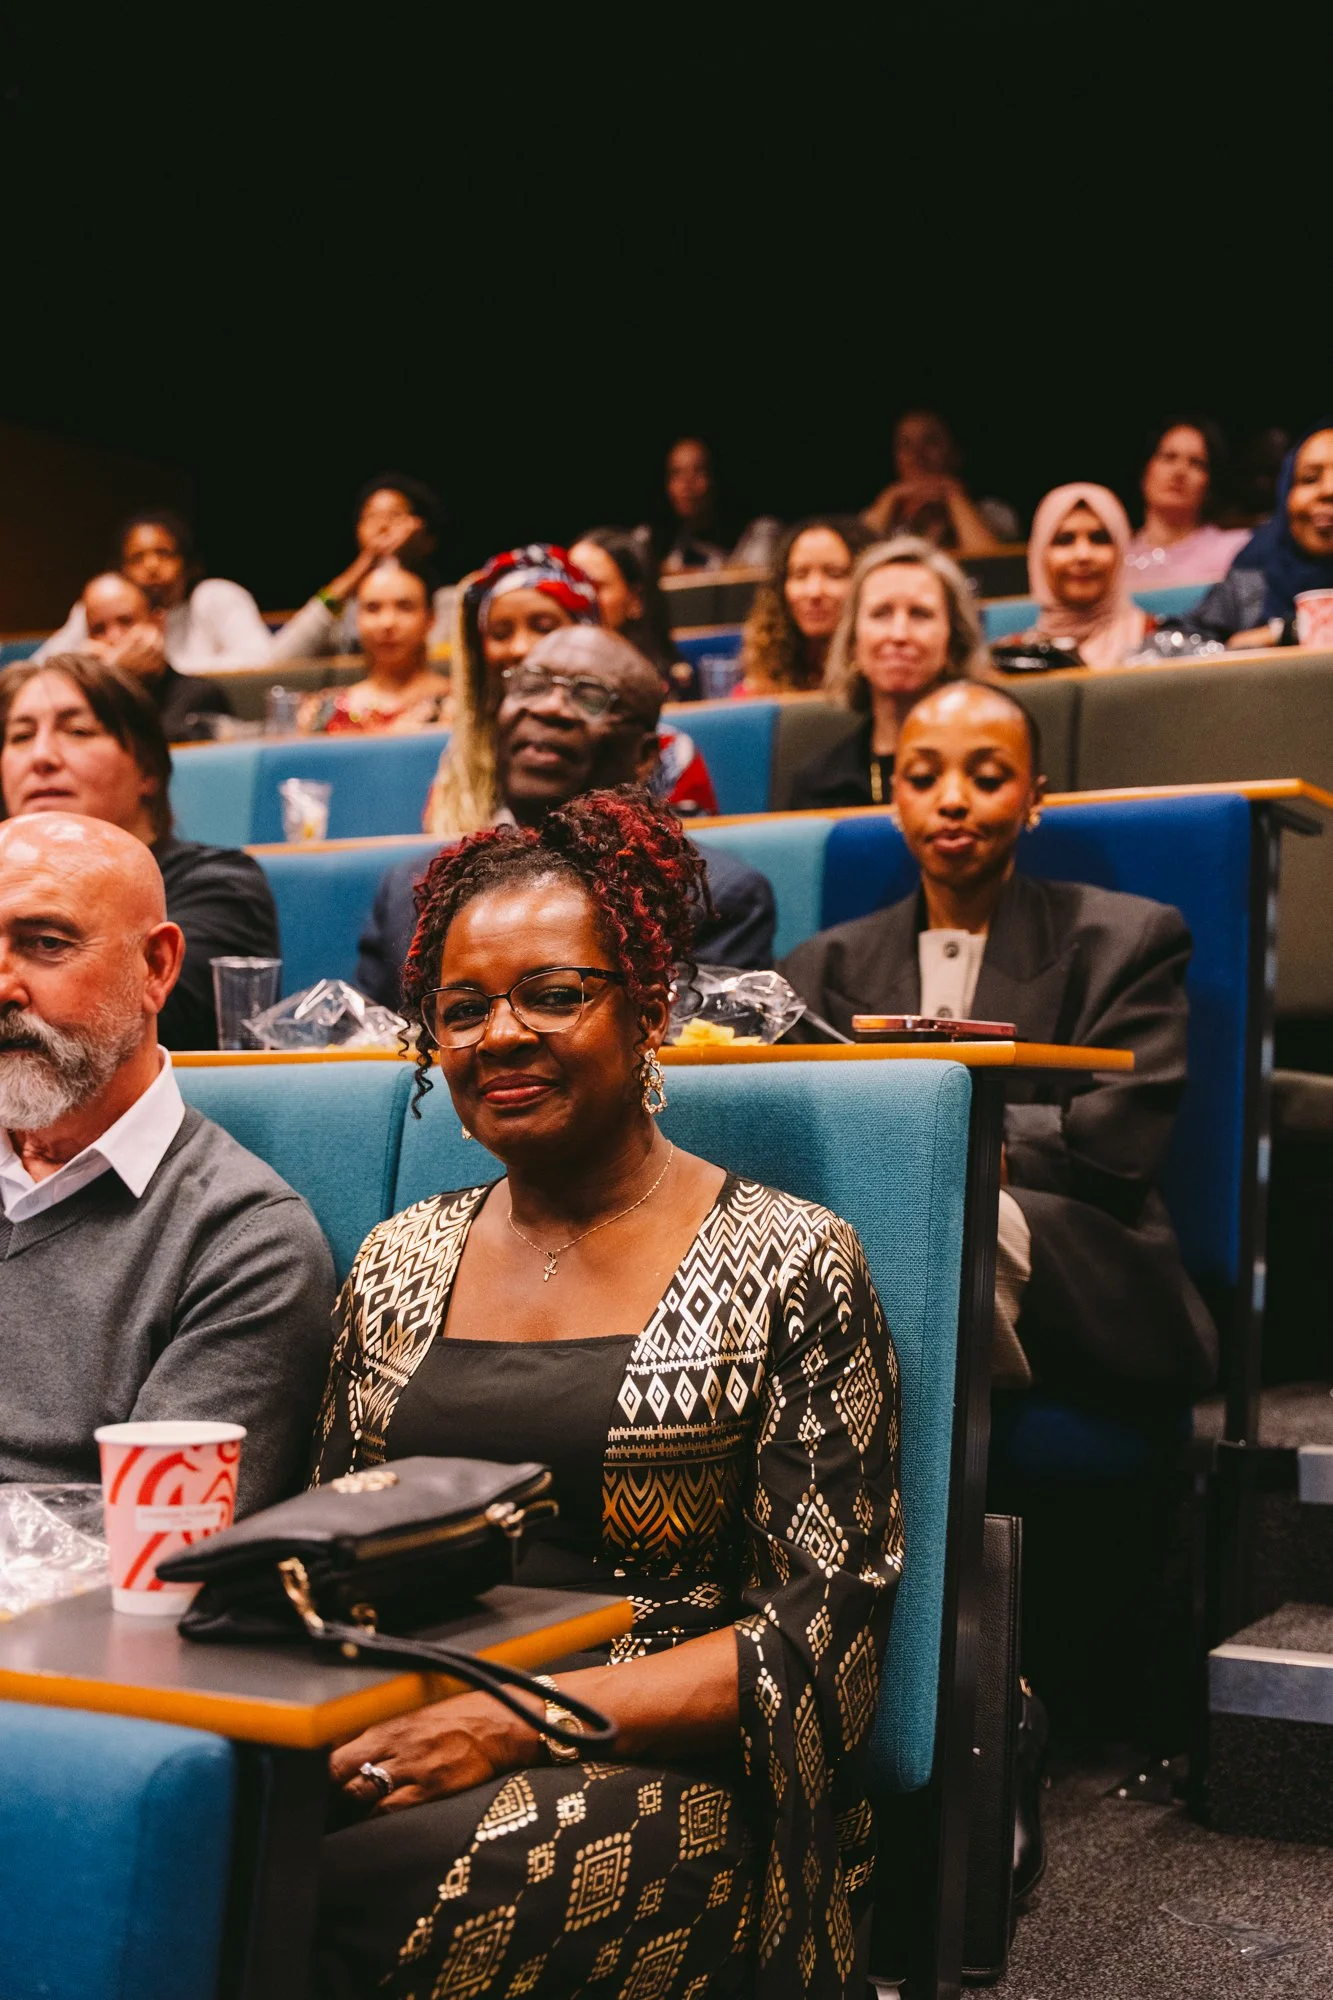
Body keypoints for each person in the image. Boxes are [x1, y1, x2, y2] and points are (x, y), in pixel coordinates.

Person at [312, 788, 902, 2000]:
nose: (499, 1034)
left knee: (329, 1892)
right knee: (169, 1825)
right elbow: (325, 1558)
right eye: (462, 1007)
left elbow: (821, 1641)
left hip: (678, 1777)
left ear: (648, 1006)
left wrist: (509, 1719)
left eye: (552, 992)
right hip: (406, 1723)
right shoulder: (395, 1260)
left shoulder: (789, 1260)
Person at [781, 679, 1217, 1411]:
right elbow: (798, 1144)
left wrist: (925, 1147)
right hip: (863, 1248)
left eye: (986, 778)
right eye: (923, 778)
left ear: (1033, 798)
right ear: (894, 798)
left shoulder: (1128, 939)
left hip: (1075, 1263)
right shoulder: (819, 966)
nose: (952, 800)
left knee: (937, 1230)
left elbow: (1114, 1148)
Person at [0, 813, 334, 1512]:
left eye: (46, 944)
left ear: (156, 967)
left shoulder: (244, 1241)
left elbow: (156, 1536)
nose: (4, 985)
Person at [357, 626, 776, 1007]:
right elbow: (366, 1048)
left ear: (644, 756)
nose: (550, 708)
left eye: (590, 696)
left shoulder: (712, 901)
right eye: (532, 685)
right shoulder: (411, 890)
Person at [0, 657, 279, 1049]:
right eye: (21, 736)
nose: (41, 756)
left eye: (78, 731)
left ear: (147, 769)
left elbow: (122, 1023)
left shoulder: (220, 886)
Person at [423, 545, 717, 835]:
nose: (520, 647)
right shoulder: (465, 754)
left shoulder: (668, 752)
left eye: (543, 627)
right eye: (500, 634)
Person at [787, 536, 986, 809]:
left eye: (920, 614)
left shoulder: (993, 774)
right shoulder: (818, 788)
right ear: (853, 642)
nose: (899, 634)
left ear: (953, 642)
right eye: (881, 614)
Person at [36, 510, 273, 672]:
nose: (151, 567)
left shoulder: (214, 596)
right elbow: (39, 668)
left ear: (188, 563)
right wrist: (94, 666)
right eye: (137, 558)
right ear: (121, 570)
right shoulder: (102, 607)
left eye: (163, 553)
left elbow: (262, 661)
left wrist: (141, 667)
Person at [1168, 424, 1333, 650]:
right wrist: (1232, 651)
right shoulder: (1249, 579)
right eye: (1310, 478)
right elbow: (1166, 648)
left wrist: (1299, 630)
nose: (1329, 490)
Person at [271, 474, 455, 662]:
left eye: (395, 515)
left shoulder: (447, 603)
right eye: (371, 516)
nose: (382, 526)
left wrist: (408, 560)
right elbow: (278, 661)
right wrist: (364, 563)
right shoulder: (345, 612)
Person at [299, 552, 451, 734]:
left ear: (430, 619)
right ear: (357, 619)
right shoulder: (322, 712)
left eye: (404, 607)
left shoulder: (460, 705)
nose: (387, 623)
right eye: (373, 608)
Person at [1004, 483, 1149, 669]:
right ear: (1039, 555)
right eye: (1064, 540)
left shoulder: (1161, 643)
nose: (1083, 555)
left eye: (1099, 539)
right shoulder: (1012, 660)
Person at [80, 571, 234, 741]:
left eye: (126, 621)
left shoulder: (202, 695)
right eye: (98, 629)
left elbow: (153, 746)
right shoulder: (84, 702)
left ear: (157, 624)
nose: (113, 637)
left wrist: (113, 672)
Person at [738, 515, 878, 694]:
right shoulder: (762, 676)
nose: (814, 592)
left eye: (834, 574)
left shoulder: (882, 683)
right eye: (800, 575)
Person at [863, 410, 1015, 552]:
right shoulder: (883, 513)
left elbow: (992, 564)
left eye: (931, 442)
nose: (917, 455)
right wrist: (891, 496)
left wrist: (953, 495)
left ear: (955, 452)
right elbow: (855, 557)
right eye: (906, 444)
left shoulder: (991, 512)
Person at [1126, 419, 1249, 586]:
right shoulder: (1110, 558)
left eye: (1196, 463)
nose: (1180, 471)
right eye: (1169, 457)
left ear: (1210, 483)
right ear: (1145, 471)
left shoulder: (1235, 550)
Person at [567, 527, 689, 691]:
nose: (577, 596)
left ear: (635, 600)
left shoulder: (656, 684)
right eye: (568, 583)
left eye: (594, 586)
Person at [656, 436, 729, 572]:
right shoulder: (655, 544)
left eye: (699, 471)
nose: (687, 484)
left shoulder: (752, 536)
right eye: (676, 473)